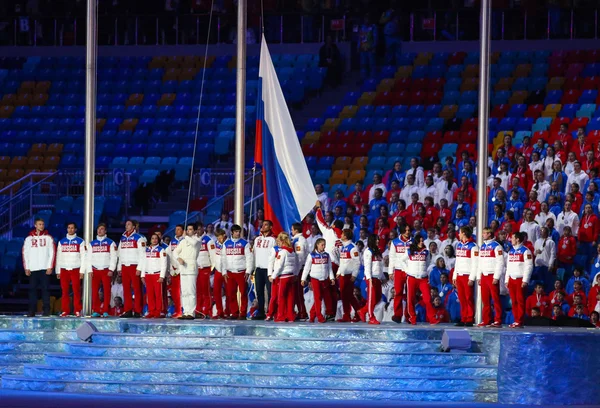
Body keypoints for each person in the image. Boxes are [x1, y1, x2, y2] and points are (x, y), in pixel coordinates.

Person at [22, 218, 55, 317]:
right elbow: (25, 253)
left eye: (43, 224)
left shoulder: (49, 238)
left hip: (45, 268)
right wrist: (26, 267)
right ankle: (32, 310)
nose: (42, 226)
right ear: (35, 225)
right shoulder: (28, 239)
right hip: (33, 268)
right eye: (40, 224)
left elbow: (52, 252)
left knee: (45, 290)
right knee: (32, 290)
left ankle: (46, 311)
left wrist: (50, 266)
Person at [221, 224, 253, 320]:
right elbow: (223, 259)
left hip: (241, 272)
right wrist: (224, 272)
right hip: (230, 272)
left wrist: (248, 271)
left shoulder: (245, 243)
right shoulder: (226, 244)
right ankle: (234, 313)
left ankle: (243, 313)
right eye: (236, 232)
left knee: (243, 293)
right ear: (232, 232)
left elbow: (249, 258)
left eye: (239, 232)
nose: (238, 233)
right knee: (231, 293)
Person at [55, 222, 87, 317]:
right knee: (64, 291)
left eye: (72, 228)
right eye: (69, 228)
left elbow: (83, 257)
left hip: (75, 269)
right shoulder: (61, 242)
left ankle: (77, 310)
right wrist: (58, 270)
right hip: (64, 269)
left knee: (76, 291)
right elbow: (58, 257)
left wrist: (82, 271)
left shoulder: (80, 241)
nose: (70, 229)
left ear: (75, 229)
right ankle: (65, 310)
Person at [117, 219, 146, 318]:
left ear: (134, 227)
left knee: (137, 289)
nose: (126, 226)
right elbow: (119, 254)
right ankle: (128, 310)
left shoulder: (139, 238)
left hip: (135, 266)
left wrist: (140, 268)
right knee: (126, 289)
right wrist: (119, 267)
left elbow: (143, 255)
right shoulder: (123, 238)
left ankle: (138, 310)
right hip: (125, 266)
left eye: (129, 224)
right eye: (126, 224)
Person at [301, 238, 335, 323]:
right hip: (315, 279)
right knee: (317, 298)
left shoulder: (327, 255)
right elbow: (306, 268)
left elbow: (329, 268)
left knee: (323, 297)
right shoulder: (311, 255)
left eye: (324, 245)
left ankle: (312, 316)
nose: (324, 246)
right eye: (322, 245)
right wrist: (303, 279)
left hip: (324, 279)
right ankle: (319, 316)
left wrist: (332, 278)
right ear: (317, 245)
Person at [88, 223, 117, 318]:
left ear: (105, 231)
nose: (100, 231)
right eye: (98, 229)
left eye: (102, 229)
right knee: (94, 291)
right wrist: (89, 270)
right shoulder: (91, 244)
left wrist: (111, 269)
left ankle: (105, 310)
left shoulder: (111, 243)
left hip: (106, 270)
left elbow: (114, 257)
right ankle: (96, 310)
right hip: (95, 270)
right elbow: (88, 257)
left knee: (107, 291)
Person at [477, 227, 505, 327]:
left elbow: (500, 263)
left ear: (489, 234)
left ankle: (498, 320)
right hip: (484, 276)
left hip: (492, 275)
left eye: (484, 233)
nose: (482, 235)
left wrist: (496, 277)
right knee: (485, 300)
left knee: (495, 299)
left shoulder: (497, 246)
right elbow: (480, 262)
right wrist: (479, 276)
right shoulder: (483, 246)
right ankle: (486, 320)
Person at [506, 231, 534, 328]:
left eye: (512, 238)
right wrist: (507, 279)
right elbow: (508, 267)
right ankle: (515, 320)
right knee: (513, 301)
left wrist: (525, 280)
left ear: (517, 239)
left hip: (520, 279)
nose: (511, 240)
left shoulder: (526, 251)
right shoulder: (511, 251)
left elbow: (529, 267)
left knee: (520, 300)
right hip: (512, 279)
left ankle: (520, 320)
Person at [173, 224, 200, 319]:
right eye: (187, 229)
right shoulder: (183, 241)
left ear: (195, 231)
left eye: (190, 229)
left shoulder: (197, 240)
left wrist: (185, 237)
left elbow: (193, 243)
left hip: (191, 268)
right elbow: (175, 251)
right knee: (184, 291)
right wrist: (178, 258)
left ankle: (191, 312)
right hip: (183, 268)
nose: (188, 231)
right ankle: (185, 311)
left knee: (191, 291)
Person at [270, 232, 297, 322]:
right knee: (290, 297)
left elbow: (279, 266)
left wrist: (273, 276)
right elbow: (295, 264)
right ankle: (290, 316)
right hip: (291, 275)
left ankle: (281, 316)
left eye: (279, 241)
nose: (278, 244)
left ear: (282, 241)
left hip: (284, 277)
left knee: (281, 297)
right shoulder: (292, 251)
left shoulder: (282, 252)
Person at [454, 226, 478, 327]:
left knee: (468, 298)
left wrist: (472, 278)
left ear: (463, 233)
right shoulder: (459, 245)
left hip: (467, 275)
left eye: (459, 232)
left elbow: (475, 263)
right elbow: (457, 261)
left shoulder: (473, 246)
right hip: (459, 275)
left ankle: (469, 318)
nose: (458, 234)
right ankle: (463, 317)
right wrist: (454, 276)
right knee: (462, 298)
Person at [252, 220, 276, 320]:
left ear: (270, 227)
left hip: (268, 269)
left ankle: (271, 312)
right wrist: (252, 269)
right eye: (263, 224)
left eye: (266, 225)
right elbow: (254, 254)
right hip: (258, 268)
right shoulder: (257, 239)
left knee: (270, 292)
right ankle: (261, 312)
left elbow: (275, 254)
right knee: (259, 292)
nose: (263, 226)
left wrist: (273, 270)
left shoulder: (273, 240)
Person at [140, 233, 168, 319]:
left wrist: (162, 276)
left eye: (156, 238)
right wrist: (142, 275)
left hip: (157, 274)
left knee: (158, 294)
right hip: (148, 275)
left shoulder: (161, 250)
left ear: (158, 240)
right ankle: (151, 311)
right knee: (150, 294)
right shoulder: (147, 250)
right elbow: (144, 263)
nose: (154, 240)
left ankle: (158, 311)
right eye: (152, 238)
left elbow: (164, 264)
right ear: (150, 240)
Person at [405, 234, 431, 325]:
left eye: (422, 240)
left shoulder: (426, 251)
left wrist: (423, 272)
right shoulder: (409, 251)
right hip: (412, 277)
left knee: (427, 298)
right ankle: (412, 317)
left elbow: (427, 263)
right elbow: (402, 261)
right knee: (411, 298)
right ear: (416, 241)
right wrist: (407, 270)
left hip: (423, 278)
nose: (421, 242)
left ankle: (431, 318)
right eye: (419, 241)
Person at [359, 234, 385, 325]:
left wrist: (382, 277)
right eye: (376, 240)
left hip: (377, 278)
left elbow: (380, 266)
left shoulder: (377, 251)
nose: (378, 241)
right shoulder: (368, 251)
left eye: (378, 239)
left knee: (377, 298)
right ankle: (371, 317)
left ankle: (362, 311)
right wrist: (369, 278)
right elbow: (367, 266)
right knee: (371, 298)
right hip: (371, 278)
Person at [388, 224, 412, 323]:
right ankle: (397, 315)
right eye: (406, 230)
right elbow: (392, 257)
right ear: (402, 231)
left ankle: (408, 315)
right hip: (398, 270)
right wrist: (390, 271)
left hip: (410, 270)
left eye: (409, 230)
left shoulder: (413, 242)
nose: (407, 232)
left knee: (409, 294)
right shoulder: (395, 242)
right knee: (398, 293)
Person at [337, 229, 362, 322]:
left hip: (349, 276)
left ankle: (358, 313)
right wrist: (338, 272)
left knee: (349, 296)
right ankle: (347, 315)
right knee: (344, 296)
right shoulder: (343, 247)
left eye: (342, 234)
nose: (341, 235)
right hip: (343, 275)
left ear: (346, 236)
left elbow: (357, 262)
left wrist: (354, 275)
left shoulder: (353, 248)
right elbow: (342, 262)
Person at [291, 223, 309, 320]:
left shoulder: (300, 241)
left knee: (298, 292)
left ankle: (303, 313)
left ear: (296, 230)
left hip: (299, 269)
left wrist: (296, 272)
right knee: (295, 292)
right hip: (296, 269)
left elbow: (300, 257)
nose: (291, 231)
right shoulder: (295, 239)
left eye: (292, 229)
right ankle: (299, 311)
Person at [167, 224, 185, 319]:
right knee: (176, 292)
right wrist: (171, 268)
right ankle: (178, 310)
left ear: (183, 231)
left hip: (184, 269)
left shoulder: (185, 240)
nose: (176, 231)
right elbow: (169, 255)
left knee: (185, 291)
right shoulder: (172, 241)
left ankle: (185, 310)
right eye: (176, 229)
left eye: (179, 229)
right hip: (174, 271)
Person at [211, 229, 228, 318]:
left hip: (227, 271)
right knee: (216, 292)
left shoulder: (229, 243)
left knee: (229, 292)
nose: (219, 239)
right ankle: (219, 311)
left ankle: (228, 311)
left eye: (220, 237)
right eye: (217, 237)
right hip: (218, 270)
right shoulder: (216, 243)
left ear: (224, 235)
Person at [358, 13, 377, 81]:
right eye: (365, 19)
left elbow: (375, 38)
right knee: (363, 65)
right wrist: (358, 47)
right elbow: (359, 38)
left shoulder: (373, 27)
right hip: (363, 49)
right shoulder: (362, 27)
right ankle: (364, 79)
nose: (367, 20)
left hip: (370, 49)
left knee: (372, 65)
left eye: (368, 18)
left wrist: (374, 47)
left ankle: (373, 80)